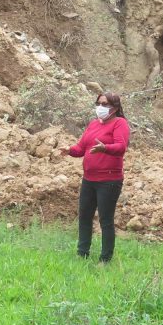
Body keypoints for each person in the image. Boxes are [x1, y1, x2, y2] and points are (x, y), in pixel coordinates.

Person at [60, 92, 130, 262]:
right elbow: (81, 148)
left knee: (105, 220)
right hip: (89, 179)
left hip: (109, 181)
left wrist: (104, 148)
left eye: (105, 104)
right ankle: (82, 254)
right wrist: (69, 150)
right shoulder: (93, 124)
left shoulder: (120, 123)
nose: (100, 107)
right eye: (99, 103)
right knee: (84, 216)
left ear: (115, 107)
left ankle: (105, 260)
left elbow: (121, 147)